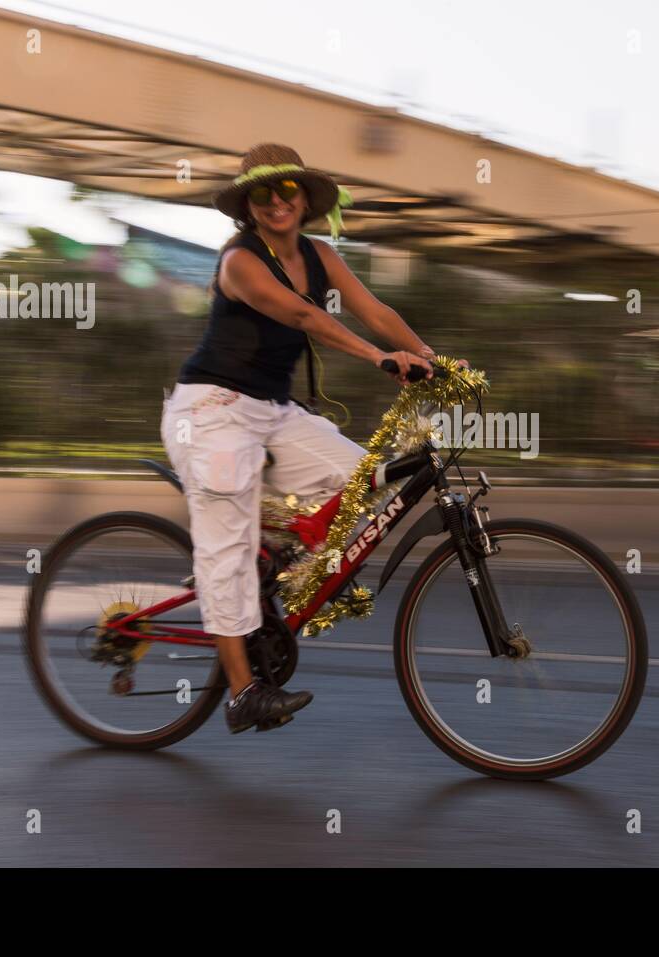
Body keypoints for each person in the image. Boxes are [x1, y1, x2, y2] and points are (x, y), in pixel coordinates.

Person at [161, 143, 434, 734]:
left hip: (273, 410)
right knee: (227, 546)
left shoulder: (320, 254)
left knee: (364, 478)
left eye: (287, 190)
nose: (277, 201)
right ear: (248, 207)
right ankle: (242, 692)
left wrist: (431, 356)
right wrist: (379, 358)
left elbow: (373, 308)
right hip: (212, 409)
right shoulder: (239, 262)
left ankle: (276, 567)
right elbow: (306, 317)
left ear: (305, 199)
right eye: (262, 193)